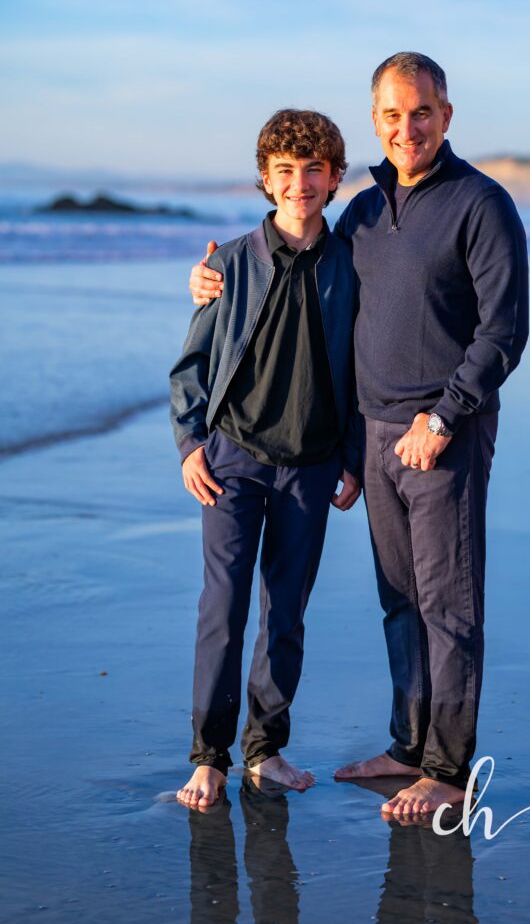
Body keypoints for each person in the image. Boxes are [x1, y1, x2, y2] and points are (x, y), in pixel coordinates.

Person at [189, 53, 529, 816]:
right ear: (374, 119)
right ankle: (407, 746)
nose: (405, 129)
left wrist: (442, 418)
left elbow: (503, 332)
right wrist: (213, 281)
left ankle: (445, 766)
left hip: (442, 435)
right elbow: (298, 283)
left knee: (448, 604)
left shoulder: (481, 203)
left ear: (445, 115)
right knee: (399, 601)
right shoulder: (364, 213)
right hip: (371, 440)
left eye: (420, 112)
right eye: (390, 114)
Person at [170, 108, 361, 811]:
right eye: (285, 171)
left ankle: (265, 749)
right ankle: (209, 757)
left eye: (313, 170)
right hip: (231, 459)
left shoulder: (351, 263)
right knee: (222, 607)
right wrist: (190, 445)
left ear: (335, 177)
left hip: (310, 466)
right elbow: (189, 364)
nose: (299, 183)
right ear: (265, 179)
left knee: (287, 612)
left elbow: (361, 371)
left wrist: (353, 458)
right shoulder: (226, 265)